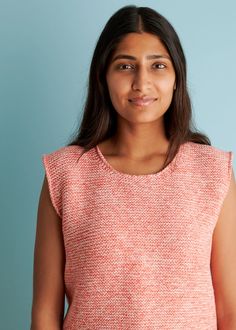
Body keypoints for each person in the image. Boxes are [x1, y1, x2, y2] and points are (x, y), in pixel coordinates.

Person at [31, 5, 236, 329]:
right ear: (103, 76)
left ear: (176, 77)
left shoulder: (211, 172)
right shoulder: (66, 173)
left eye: (157, 65)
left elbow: (230, 310)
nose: (142, 82)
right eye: (125, 66)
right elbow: (45, 313)